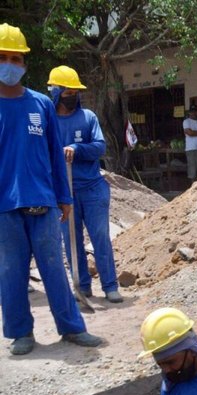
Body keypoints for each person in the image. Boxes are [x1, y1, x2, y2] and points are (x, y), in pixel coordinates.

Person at [0, 23, 103, 355]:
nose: (10, 65)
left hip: (43, 200)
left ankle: (71, 328)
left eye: (16, 58)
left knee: (54, 269)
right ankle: (20, 333)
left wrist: (64, 196)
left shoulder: (42, 104)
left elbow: (55, 156)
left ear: (25, 64)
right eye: (3, 57)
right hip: (4, 205)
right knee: (11, 272)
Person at [48, 65, 123, 303]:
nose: (72, 97)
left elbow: (100, 147)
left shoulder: (88, 117)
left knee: (100, 236)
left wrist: (77, 149)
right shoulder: (48, 122)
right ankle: (82, 285)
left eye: (75, 93)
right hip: (63, 192)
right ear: (56, 93)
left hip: (92, 189)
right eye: (67, 93)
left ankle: (110, 286)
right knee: (71, 241)